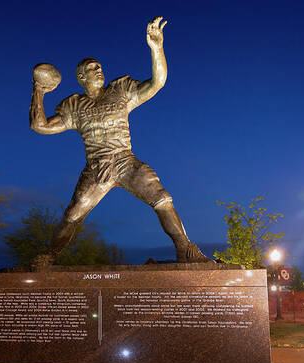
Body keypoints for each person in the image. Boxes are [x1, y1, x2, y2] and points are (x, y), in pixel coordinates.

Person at [29, 17, 211, 269]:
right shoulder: (74, 106)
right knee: (72, 214)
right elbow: (40, 126)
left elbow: (157, 83)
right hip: (97, 166)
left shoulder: (120, 91)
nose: (99, 69)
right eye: (93, 67)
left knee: (161, 198)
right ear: (81, 76)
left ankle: (185, 248)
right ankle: (48, 257)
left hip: (125, 159)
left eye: (100, 66)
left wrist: (156, 48)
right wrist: (39, 90)